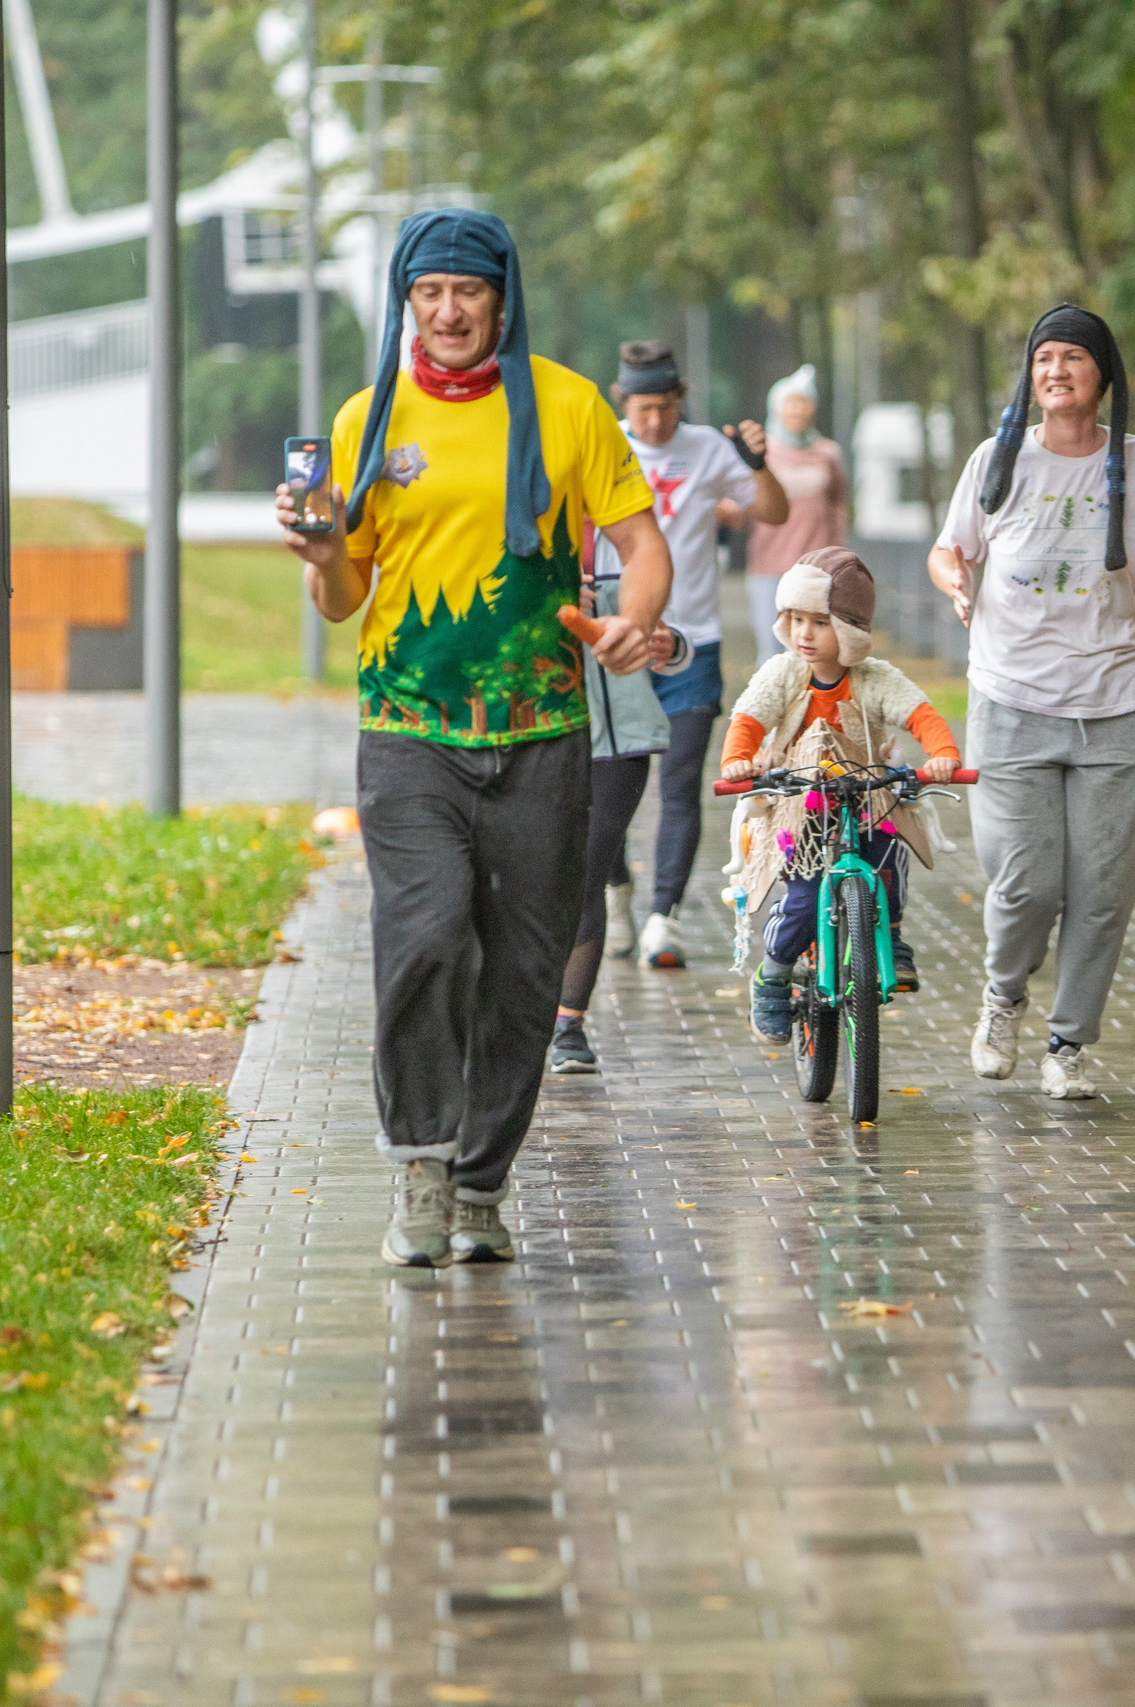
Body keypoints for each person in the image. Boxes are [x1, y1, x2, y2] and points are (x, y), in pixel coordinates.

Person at [275, 208, 671, 1268]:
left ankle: (481, 1181)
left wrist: (634, 619)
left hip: (543, 730)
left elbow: (640, 544)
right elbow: (342, 594)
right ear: (406, 303)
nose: (447, 312)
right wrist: (320, 557)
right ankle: (418, 1166)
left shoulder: (570, 408)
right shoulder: (371, 416)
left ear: (501, 298)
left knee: (525, 970)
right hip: (407, 729)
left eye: (467, 291)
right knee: (428, 934)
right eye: (427, 294)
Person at [926, 303, 1135, 1100]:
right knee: (1026, 882)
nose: (1056, 370)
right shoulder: (1000, 457)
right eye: (1044, 357)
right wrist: (956, 580)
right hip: (1011, 697)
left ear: (1103, 376)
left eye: (1073, 359)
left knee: (1102, 891)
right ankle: (1003, 997)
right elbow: (950, 547)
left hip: (1117, 701)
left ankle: (1069, 1044)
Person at [594, 340, 789, 972]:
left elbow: (773, 511)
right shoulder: (603, 442)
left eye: (665, 408)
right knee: (609, 788)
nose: (654, 423)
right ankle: (615, 890)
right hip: (618, 640)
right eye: (642, 409)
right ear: (624, 402)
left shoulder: (706, 446)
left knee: (680, 783)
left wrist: (756, 464)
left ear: (681, 399)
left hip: (694, 639)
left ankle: (662, 918)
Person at [719, 547, 959, 1038]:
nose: (805, 634)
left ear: (849, 629)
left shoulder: (874, 679)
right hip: (799, 806)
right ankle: (773, 974)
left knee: (889, 853)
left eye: (820, 622)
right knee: (804, 900)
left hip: (864, 793)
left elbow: (920, 714)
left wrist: (942, 754)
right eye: (797, 620)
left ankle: (891, 936)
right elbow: (748, 718)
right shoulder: (783, 674)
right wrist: (737, 761)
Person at [549, 539, 687, 1074]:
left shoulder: (628, 534)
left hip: (621, 741)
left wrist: (669, 645)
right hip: (537, 732)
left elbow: (677, 644)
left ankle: (567, 1025)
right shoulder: (513, 524)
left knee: (585, 868)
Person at [744, 365, 847, 662]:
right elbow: (743, 503)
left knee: (815, 651)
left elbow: (838, 503)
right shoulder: (762, 453)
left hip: (817, 568)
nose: (797, 410)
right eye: (790, 402)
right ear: (776, 407)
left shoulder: (828, 453)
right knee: (773, 651)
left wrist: (840, 557)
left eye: (804, 402)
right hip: (770, 566)